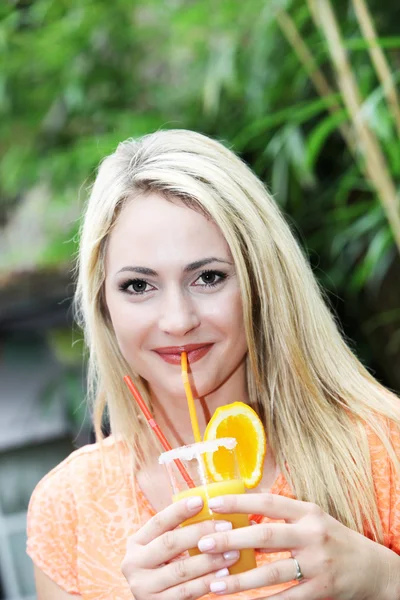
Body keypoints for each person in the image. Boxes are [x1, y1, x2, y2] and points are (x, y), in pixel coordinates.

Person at [27, 129, 400, 600]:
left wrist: (384, 581)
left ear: (260, 282)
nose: (178, 321)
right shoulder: (71, 506)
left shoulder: (383, 449)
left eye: (208, 277)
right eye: (139, 286)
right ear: (104, 305)